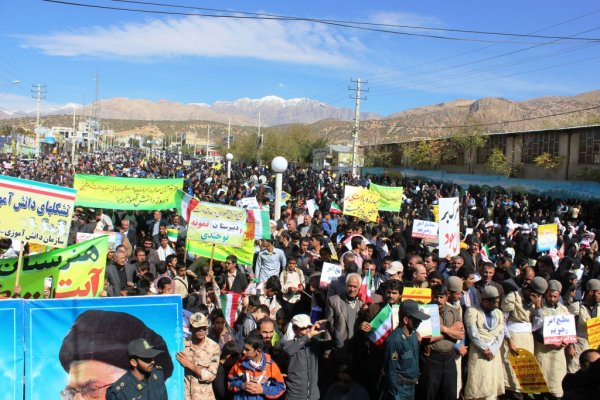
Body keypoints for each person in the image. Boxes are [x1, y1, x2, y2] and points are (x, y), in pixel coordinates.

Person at [501, 276, 546, 399]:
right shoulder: (513, 297)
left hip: (527, 339)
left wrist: (538, 308)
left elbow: (536, 325)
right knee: (513, 373)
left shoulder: (533, 303)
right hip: (513, 338)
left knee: (526, 375)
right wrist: (509, 340)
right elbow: (502, 321)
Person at [419, 284, 463, 400]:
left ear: (447, 297)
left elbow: (461, 334)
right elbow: (427, 338)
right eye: (435, 297)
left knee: (450, 394)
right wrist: (450, 331)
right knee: (430, 393)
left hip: (449, 358)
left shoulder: (453, 311)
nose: (438, 300)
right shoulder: (425, 311)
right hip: (432, 358)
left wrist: (442, 329)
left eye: (441, 297)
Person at [532, 280, 574, 399]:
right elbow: (534, 329)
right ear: (545, 294)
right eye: (549, 295)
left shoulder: (563, 310)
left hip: (558, 354)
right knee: (541, 383)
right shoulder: (539, 308)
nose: (552, 298)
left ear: (559, 296)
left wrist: (568, 342)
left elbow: (569, 330)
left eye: (555, 296)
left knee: (556, 382)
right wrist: (549, 341)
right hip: (542, 351)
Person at [463, 286, 506, 400]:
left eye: (498, 302)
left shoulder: (499, 313)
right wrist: (485, 348)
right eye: (494, 302)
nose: (497, 305)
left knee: (492, 384)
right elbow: (473, 333)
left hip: (494, 353)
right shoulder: (472, 311)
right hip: (479, 352)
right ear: (485, 301)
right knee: (478, 381)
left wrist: (493, 349)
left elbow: (501, 333)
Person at [382, 299, 430, 400]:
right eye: (416, 319)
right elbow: (391, 371)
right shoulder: (394, 340)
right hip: (399, 390)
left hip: (411, 388)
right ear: (406, 320)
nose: (420, 321)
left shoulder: (413, 336)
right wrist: (395, 395)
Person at [281, 315, 329, 400]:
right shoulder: (288, 344)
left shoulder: (315, 344)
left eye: (309, 327)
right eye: (304, 328)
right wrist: (308, 336)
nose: (308, 330)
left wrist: (331, 327)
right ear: (295, 329)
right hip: (294, 396)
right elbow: (289, 351)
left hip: (313, 396)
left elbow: (337, 344)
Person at [227, 333, 286, 400]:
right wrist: (242, 385)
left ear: (258, 351)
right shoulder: (240, 364)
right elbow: (230, 383)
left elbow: (281, 387)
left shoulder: (271, 366)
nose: (243, 351)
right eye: (244, 348)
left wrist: (263, 390)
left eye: (247, 349)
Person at [176, 312, 221, 400]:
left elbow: (211, 375)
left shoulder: (214, 347)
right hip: (184, 395)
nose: (201, 331)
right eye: (198, 328)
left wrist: (189, 365)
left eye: (204, 328)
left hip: (204, 397)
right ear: (191, 328)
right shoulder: (181, 344)